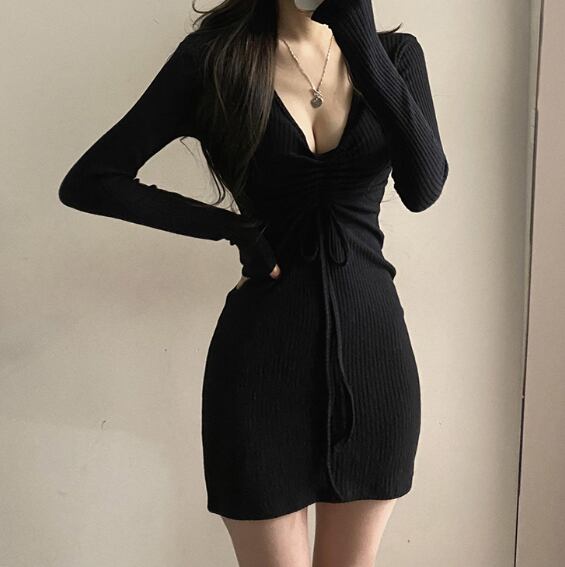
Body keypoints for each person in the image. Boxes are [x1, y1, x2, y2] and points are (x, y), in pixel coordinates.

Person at [58, 0, 449, 565]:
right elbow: (92, 180)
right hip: (261, 364)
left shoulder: (394, 55)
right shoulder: (215, 60)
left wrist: (361, 41)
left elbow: (424, 187)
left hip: (375, 359)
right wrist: (232, 228)